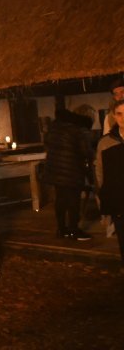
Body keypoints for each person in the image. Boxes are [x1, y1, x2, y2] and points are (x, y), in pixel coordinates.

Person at [43, 108, 94, 240]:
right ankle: (74, 230)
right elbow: (86, 152)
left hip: (55, 170)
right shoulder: (79, 130)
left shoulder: (54, 128)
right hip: (72, 171)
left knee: (60, 200)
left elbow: (47, 144)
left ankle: (61, 229)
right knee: (73, 201)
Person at [95, 99, 124, 265]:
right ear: (114, 116)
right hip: (119, 201)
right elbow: (99, 172)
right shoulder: (105, 143)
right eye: (119, 114)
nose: (123, 118)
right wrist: (103, 198)